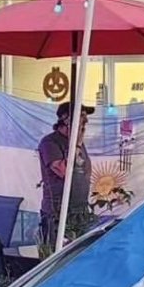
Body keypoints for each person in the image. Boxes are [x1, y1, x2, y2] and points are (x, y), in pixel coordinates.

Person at [38, 101, 93, 242]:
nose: (85, 121)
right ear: (66, 119)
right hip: (58, 212)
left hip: (79, 211)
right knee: (57, 256)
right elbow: (64, 171)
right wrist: (77, 145)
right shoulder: (50, 143)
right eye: (82, 116)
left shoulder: (78, 143)